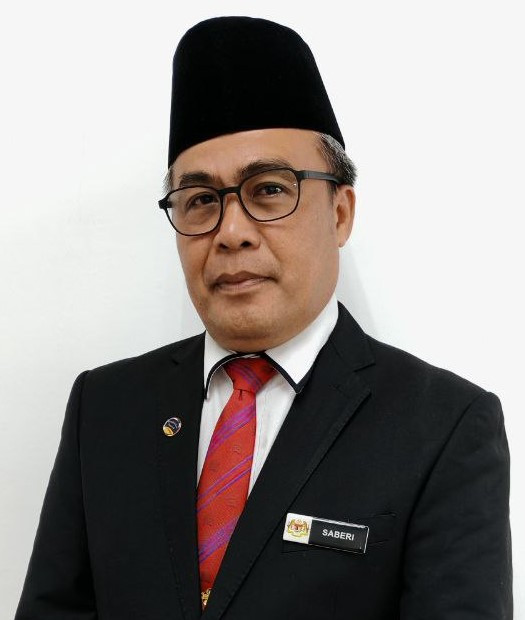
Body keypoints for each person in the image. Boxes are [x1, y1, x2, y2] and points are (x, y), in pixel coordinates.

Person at [15, 16, 512, 620]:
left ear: (340, 213)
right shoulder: (106, 407)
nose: (231, 232)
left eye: (270, 189)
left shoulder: (443, 426)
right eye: (201, 200)